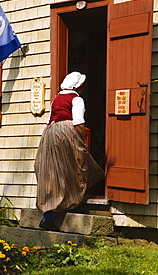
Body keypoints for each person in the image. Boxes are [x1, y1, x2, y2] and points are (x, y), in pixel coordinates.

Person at [34, 71, 105, 232]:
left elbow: (49, 120)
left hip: (50, 133)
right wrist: (83, 141)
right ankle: (72, 203)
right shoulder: (76, 99)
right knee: (74, 165)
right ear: (79, 87)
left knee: (51, 170)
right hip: (66, 131)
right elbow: (79, 122)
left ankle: (49, 214)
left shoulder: (56, 99)